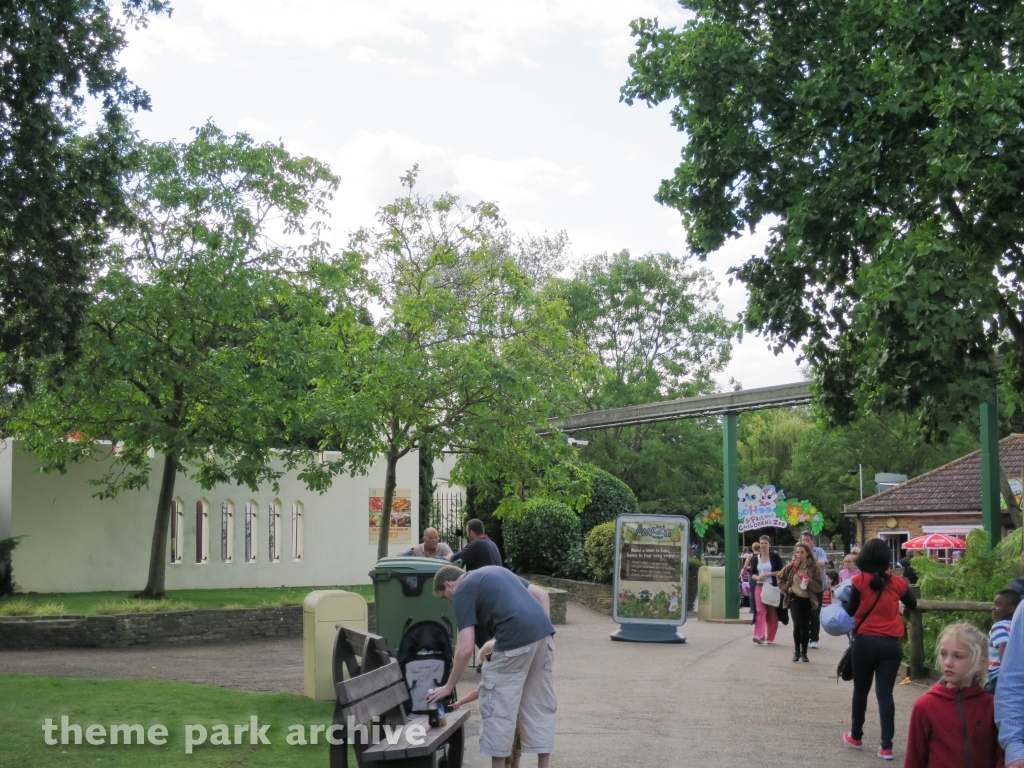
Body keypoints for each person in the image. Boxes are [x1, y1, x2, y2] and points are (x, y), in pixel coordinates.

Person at [428, 565, 555, 768]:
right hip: (544, 636)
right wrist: (540, 632)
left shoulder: (462, 591)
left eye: (445, 597)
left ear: (448, 584)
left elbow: (466, 648)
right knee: (540, 707)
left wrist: (448, 687)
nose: (449, 601)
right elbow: (543, 595)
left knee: (498, 709)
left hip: (513, 642)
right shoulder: (496, 570)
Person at [842, 538, 917, 760]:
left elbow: (851, 611)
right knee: (885, 695)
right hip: (891, 645)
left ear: (863, 558)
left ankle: (856, 736)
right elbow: (912, 605)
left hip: (865, 643)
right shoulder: (899, 583)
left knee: (861, 691)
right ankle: (886, 747)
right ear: (886, 559)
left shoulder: (858, 581)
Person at [904, 623, 1003, 768]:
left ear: (980, 663)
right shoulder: (925, 706)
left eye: (958, 656)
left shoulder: (992, 706)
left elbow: (1002, 757)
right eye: (944, 654)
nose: (948, 662)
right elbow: (914, 760)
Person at [452, 639, 522, 768]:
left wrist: (460, 702)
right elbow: (478, 691)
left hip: (505, 721)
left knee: (504, 755)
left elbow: (478, 691)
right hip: (518, 719)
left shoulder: (495, 677)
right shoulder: (513, 675)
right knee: (515, 754)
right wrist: (460, 701)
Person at [778, 542, 823, 662]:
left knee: (805, 626)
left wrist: (810, 583)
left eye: (802, 552)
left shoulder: (813, 567)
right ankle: (797, 651)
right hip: (794, 599)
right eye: (797, 552)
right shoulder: (791, 566)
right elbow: (780, 578)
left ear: (807, 553)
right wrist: (787, 588)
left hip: (808, 600)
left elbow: (819, 586)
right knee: (797, 625)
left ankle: (804, 653)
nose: (799, 554)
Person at [749, 535, 785, 645]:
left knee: (772, 612)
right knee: (760, 611)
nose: (763, 545)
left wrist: (769, 573)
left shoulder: (775, 557)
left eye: (765, 543)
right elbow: (753, 574)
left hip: (772, 587)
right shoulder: (756, 558)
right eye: (761, 543)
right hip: (759, 586)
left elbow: (781, 571)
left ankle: (770, 637)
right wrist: (758, 578)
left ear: (769, 544)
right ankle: (759, 635)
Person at [988, 590, 1020, 693]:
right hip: (1017, 673)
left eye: (998, 605)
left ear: (1010, 608)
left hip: (998, 676)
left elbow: (1003, 647)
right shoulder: (1018, 627)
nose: (993, 607)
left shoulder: (999, 626)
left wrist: (1007, 671)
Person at [801, 530, 828, 649]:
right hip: (803, 586)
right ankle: (804, 637)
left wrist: (810, 562)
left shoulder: (819, 551)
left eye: (807, 540)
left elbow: (823, 562)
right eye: (803, 540)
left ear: (812, 541)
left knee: (815, 613)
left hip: (817, 586)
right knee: (804, 614)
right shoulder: (799, 551)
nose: (805, 542)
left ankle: (814, 639)